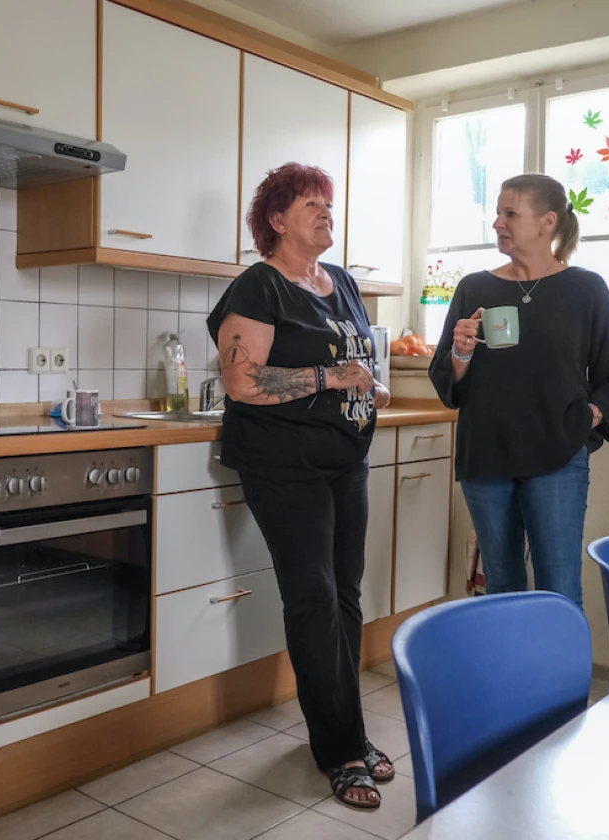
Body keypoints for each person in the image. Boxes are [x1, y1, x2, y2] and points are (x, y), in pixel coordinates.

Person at [206, 162, 394, 810]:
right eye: (311, 204)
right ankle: (341, 750)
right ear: (277, 219)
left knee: (344, 594)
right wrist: (329, 379)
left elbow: (355, 361)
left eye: (328, 204)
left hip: (346, 459)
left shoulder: (342, 282)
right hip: (284, 464)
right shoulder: (259, 286)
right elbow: (241, 381)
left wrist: (370, 385)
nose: (325, 212)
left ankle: (350, 731)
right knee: (313, 597)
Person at [428, 173, 609, 608]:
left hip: (557, 456)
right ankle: (510, 659)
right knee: (501, 588)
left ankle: (561, 659)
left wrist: (585, 420)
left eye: (510, 213)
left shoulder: (587, 289)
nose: (498, 222)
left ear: (547, 222)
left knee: (559, 588)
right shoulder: (474, 287)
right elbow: (446, 380)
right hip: (486, 455)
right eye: (498, 213)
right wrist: (461, 352)